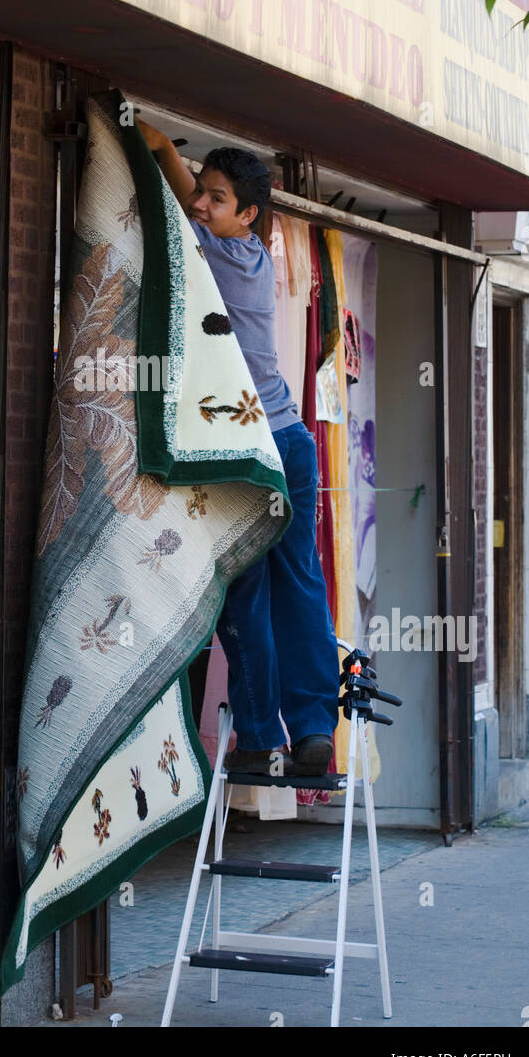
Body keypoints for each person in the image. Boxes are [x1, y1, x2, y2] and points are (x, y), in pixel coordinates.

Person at [135, 116, 340, 776]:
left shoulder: (215, 251)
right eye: (203, 190)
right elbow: (186, 196)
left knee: (245, 592)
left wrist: (162, 153)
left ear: (247, 214)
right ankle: (312, 730)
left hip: (253, 450)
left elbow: (170, 209)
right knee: (300, 584)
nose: (201, 202)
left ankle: (258, 737)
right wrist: (170, 150)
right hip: (290, 440)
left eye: (217, 198)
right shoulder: (248, 252)